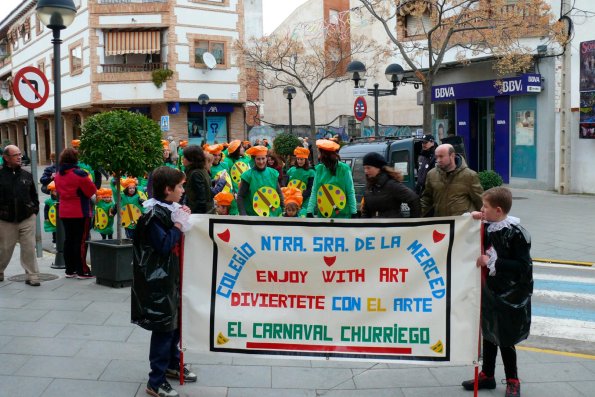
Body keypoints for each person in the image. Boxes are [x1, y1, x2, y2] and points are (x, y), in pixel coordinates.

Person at [131, 166, 197, 397]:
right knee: (164, 329)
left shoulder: (166, 210)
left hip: (171, 279)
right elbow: (164, 245)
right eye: (179, 186)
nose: (182, 190)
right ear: (168, 189)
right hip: (158, 283)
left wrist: (180, 217)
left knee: (175, 325)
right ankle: (155, 381)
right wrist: (178, 224)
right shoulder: (152, 216)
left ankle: (172, 363)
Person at [461, 187, 532, 397]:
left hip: (510, 294)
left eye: (485, 207)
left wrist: (492, 261)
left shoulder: (517, 233)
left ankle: (513, 379)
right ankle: (488, 374)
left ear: (498, 210)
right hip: (491, 289)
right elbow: (472, 229)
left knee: (506, 338)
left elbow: (522, 266)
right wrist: (474, 217)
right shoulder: (489, 226)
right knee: (489, 332)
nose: (482, 209)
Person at [0, 145, 41, 286]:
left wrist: (34, 210)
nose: (19, 157)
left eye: (20, 154)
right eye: (15, 155)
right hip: (6, 220)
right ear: (6, 158)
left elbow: (34, 196)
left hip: (27, 218)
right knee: (5, 249)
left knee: (29, 247)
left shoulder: (26, 175)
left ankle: (32, 275)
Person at [54, 147, 97, 279]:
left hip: (65, 212)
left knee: (69, 240)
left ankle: (70, 269)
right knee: (81, 241)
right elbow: (91, 190)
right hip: (80, 211)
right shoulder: (80, 174)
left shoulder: (58, 175)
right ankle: (82, 270)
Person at [420, 144, 483, 217]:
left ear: (452, 155)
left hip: (462, 224)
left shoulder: (469, 175)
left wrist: (484, 219)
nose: (438, 160)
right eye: (436, 157)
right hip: (441, 223)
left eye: (441, 156)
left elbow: (479, 200)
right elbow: (426, 199)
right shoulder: (431, 174)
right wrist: (416, 218)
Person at [306, 139, 357, 218]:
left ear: (325, 155)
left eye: (320, 153)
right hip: (324, 216)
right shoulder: (320, 169)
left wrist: (354, 212)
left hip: (342, 216)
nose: (319, 156)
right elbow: (315, 191)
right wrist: (309, 211)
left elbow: (350, 191)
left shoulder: (344, 169)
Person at [361, 152, 420, 218]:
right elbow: (366, 211)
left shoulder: (391, 185)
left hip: (392, 227)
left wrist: (413, 223)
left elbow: (414, 199)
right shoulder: (369, 186)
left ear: (378, 168)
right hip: (375, 227)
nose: (365, 171)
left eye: (368, 168)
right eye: (364, 168)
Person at [236, 145, 284, 217]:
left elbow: (279, 193)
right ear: (254, 160)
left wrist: (283, 209)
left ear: (266, 158)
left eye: (263, 158)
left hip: (272, 215)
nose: (261, 162)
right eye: (258, 159)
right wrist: (243, 214)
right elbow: (240, 196)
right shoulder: (248, 175)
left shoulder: (273, 173)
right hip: (254, 216)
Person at [182, 145, 214, 214]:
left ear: (191, 159)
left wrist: (197, 215)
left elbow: (201, 198)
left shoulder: (195, 173)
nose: (182, 159)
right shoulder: (199, 170)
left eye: (185, 157)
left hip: (198, 214)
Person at [43, 181, 59, 247]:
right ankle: (55, 242)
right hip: (53, 219)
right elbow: (46, 210)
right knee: (54, 231)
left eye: (57, 191)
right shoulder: (49, 202)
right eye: (55, 191)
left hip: (60, 218)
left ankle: (61, 241)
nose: (56, 192)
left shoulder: (60, 200)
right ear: (51, 192)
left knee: (61, 230)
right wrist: (46, 217)